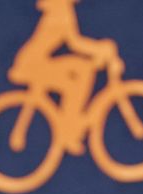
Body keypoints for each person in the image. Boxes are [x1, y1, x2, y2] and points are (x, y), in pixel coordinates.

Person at [9, 0, 115, 148]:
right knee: (73, 85)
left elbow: (74, 41)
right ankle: (68, 129)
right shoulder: (60, 13)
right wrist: (99, 49)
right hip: (32, 65)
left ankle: (70, 122)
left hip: (37, 62)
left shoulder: (62, 11)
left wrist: (98, 50)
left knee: (82, 67)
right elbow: (74, 42)